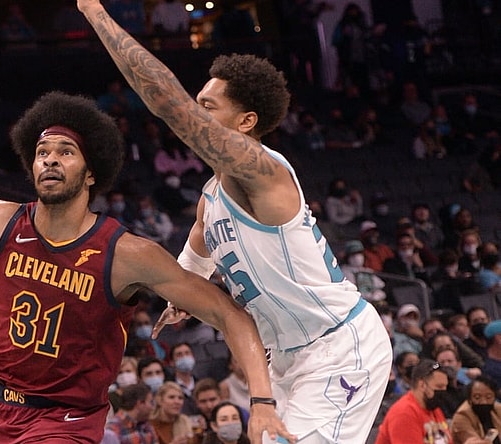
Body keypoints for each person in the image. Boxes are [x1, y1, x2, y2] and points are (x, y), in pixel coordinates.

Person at [0, 87, 290, 443]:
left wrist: (262, 402)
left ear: (90, 174)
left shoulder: (127, 253)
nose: (49, 159)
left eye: (65, 152)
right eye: (42, 151)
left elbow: (230, 316)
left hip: (63, 422)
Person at [79, 2, 393, 442]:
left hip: (338, 347)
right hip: (283, 356)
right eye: (199, 104)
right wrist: (181, 291)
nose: (196, 113)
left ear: (246, 122)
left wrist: (96, 13)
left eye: (208, 106)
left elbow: (169, 105)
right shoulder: (212, 195)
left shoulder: (264, 172)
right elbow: (199, 246)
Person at [375, 359, 452, 443]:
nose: (444, 391)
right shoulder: (403, 413)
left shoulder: (434, 409)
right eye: (439, 387)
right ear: (422, 385)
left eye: (445, 387)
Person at [450, 376, 501, 444]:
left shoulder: (498, 409)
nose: (483, 402)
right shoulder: (462, 416)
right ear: (469, 399)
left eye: (488, 397)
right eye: (477, 397)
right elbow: (473, 442)